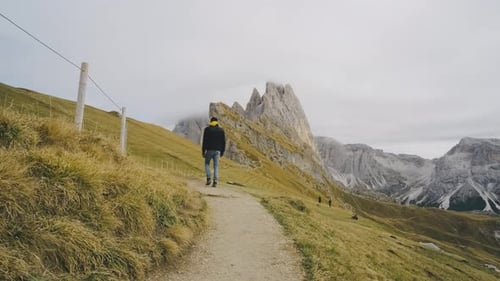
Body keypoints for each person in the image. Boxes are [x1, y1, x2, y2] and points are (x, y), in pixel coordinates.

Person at [202, 117, 226, 187]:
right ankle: (215, 181)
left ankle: (208, 178)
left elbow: (204, 141)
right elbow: (223, 142)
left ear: (211, 122)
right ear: (217, 122)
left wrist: (203, 151)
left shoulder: (207, 129)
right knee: (216, 166)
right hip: (218, 151)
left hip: (209, 150)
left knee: (207, 163)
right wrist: (222, 152)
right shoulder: (221, 130)